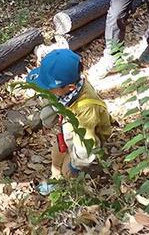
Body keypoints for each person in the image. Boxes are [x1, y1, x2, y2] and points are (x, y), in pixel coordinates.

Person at [26, 49, 112, 185]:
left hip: (84, 138)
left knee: (68, 171)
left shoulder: (86, 109)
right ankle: (55, 177)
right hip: (68, 130)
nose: (46, 90)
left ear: (70, 88)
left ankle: (68, 184)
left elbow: (86, 147)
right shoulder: (66, 87)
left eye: (49, 88)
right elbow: (51, 107)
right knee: (57, 152)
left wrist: (76, 166)